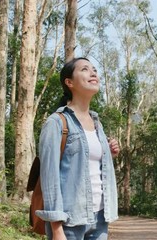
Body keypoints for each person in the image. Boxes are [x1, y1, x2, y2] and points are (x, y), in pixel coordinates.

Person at [35, 57, 120, 240]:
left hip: (100, 218)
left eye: (95, 69)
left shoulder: (97, 123)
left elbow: (84, 166)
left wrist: (108, 155)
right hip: (69, 221)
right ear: (69, 82)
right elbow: (50, 178)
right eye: (84, 69)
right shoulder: (56, 122)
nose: (93, 72)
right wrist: (57, 229)